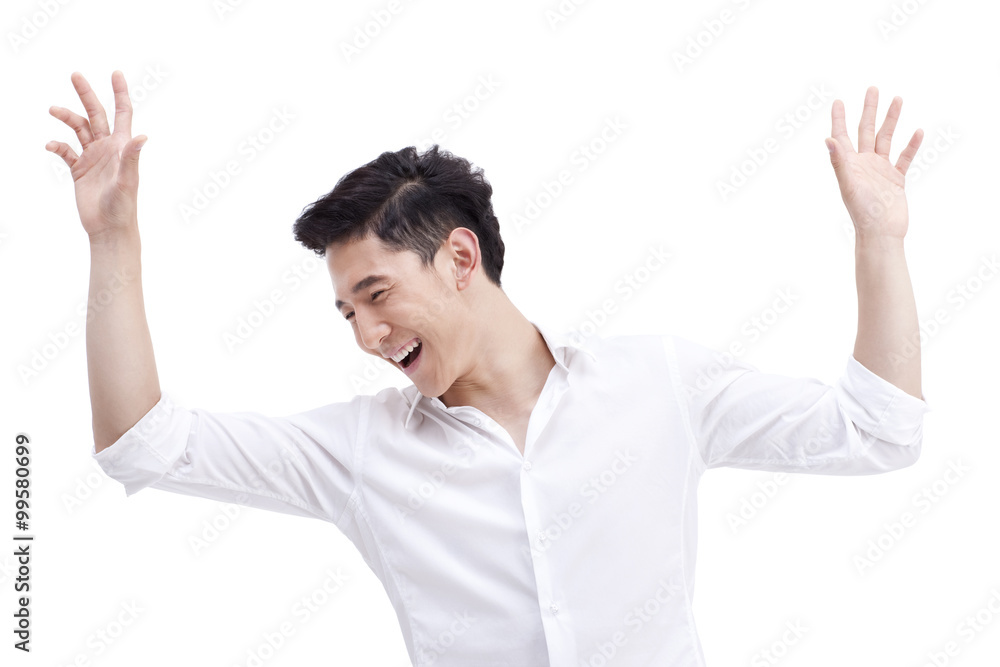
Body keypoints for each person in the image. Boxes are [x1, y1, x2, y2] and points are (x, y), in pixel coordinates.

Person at [47, 71, 930, 666]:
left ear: (460, 257)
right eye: (348, 311)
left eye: (377, 293)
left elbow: (877, 430)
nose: (366, 333)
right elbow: (141, 443)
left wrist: (881, 241)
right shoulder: (364, 450)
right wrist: (113, 239)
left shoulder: (659, 385)